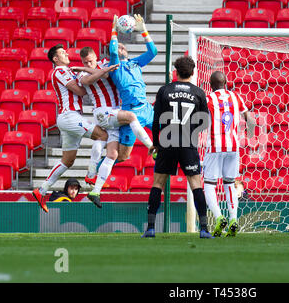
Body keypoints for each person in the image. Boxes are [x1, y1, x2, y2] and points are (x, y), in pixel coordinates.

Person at [31, 44, 115, 212]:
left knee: (67, 161)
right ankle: (91, 176)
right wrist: (97, 75)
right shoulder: (60, 71)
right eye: (62, 52)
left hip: (69, 117)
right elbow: (80, 91)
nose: (66, 54)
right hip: (70, 116)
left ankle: (41, 190)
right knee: (103, 135)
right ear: (56, 59)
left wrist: (88, 75)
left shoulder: (67, 71)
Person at [141, 55, 213, 238]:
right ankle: (204, 228)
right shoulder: (198, 92)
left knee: (158, 183)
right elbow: (206, 121)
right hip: (187, 142)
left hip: (167, 141)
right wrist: (192, 132)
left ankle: (150, 228)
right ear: (193, 71)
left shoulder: (164, 90)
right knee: (196, 184)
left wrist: (156, 143)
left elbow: (156, 121)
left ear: (176, 71)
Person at [75, 46, 155, 207]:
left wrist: (101, 68)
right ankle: (152, 148)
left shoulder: (106, 64)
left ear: (95, 57)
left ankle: (95, 190)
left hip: (114, 114)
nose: (88, 64)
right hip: (102, 112)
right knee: (132, 116)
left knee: (113, 155)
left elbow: (111, 70)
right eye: (85, 62)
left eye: (90, 61)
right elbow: (89, 80)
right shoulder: (81, 73)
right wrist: (86, 69)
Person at [202, 71, 256, 237]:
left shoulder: (208, 99)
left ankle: (219, 218)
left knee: (209, 184)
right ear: (225, 82)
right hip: (233, 146)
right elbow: (252, 121)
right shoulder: (236, 96)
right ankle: (233, 219)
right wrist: (250, 137)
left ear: (211, 85)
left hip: (214, 146)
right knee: (229, 183)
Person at [108, 14, 156, 162]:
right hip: (131, 112)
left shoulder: (135, 62)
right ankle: (96, 174)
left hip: (147, 109)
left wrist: (144, 31)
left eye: (123, 46)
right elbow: (114, 51)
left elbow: (153, 52)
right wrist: (114, 31)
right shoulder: (115, 67)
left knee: (170, 128)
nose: (121, 47)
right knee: (123, 156)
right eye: (119, 46)